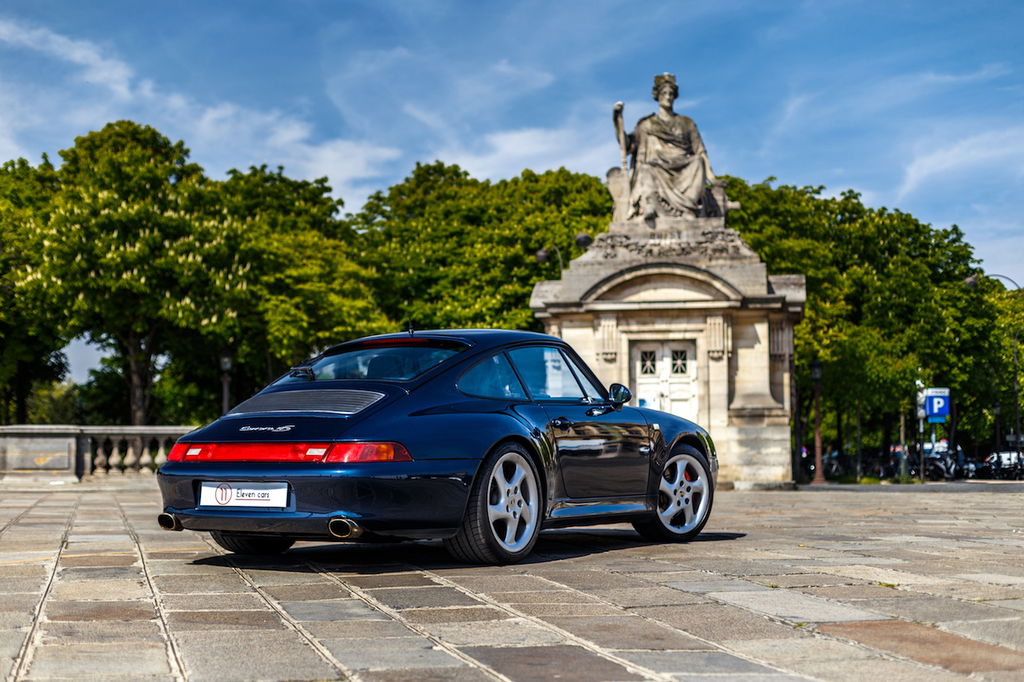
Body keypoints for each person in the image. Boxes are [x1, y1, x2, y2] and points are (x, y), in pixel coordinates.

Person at [614, 73, 715, 220]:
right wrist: (617, 119)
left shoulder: (687, 123)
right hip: (655, 167)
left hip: (683, 166)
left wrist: (712, 177)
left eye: (671, 94)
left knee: (697, 162)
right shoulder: (646, 124)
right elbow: (627, 145)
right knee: (646, 168)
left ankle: (688, 208)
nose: (668, 97)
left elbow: (700, 151)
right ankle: (650, 205)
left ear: (674, 96)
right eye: (664, 93)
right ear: (657, 95)